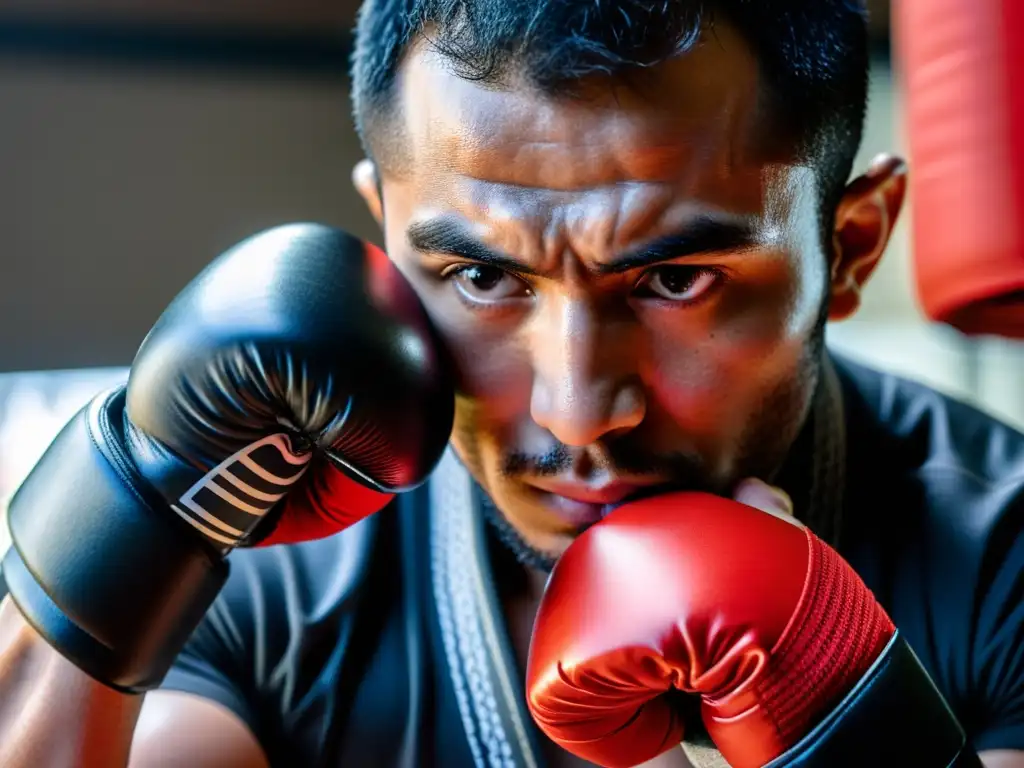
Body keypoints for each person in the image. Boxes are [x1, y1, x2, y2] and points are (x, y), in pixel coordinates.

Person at [0, 0, 1022, 766]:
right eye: (483, 277)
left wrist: (835, 712)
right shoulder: (264, 550)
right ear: (387, 240)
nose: (574, 407)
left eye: (675, 280)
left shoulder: (1001, 556)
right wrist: (123, 517)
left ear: (850, 246)